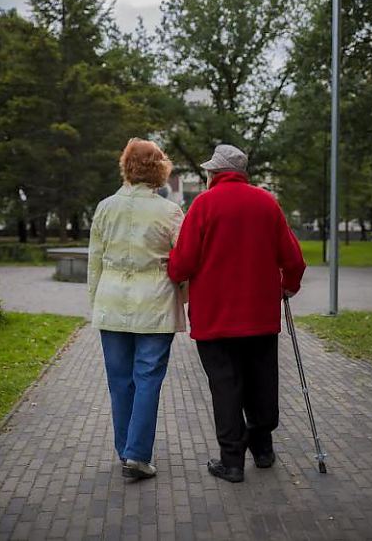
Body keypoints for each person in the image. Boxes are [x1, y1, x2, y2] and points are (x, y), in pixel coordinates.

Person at [168, 144, 306, 483]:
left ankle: (232, 462)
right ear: (242, 173)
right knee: (262, 381)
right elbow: (294, 259)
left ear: (215, 173)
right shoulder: (266, 203)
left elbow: (182, 264)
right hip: (260, 316)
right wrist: (288, 285)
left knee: (225, 387)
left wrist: (172, 270)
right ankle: (263, 450)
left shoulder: (203, 204)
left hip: (215, 319)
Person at [88, 138, 185, 480]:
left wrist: (95, 304)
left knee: (119, 382)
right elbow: (183, 262)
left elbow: (94, 262)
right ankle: (137, 455)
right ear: (160, 168)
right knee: (147, 379)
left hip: (111, 302)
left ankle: (125, 449)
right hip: (155, 303)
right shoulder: (170, 212)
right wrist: (184, 299)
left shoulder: (105, 208)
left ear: (126, 166)